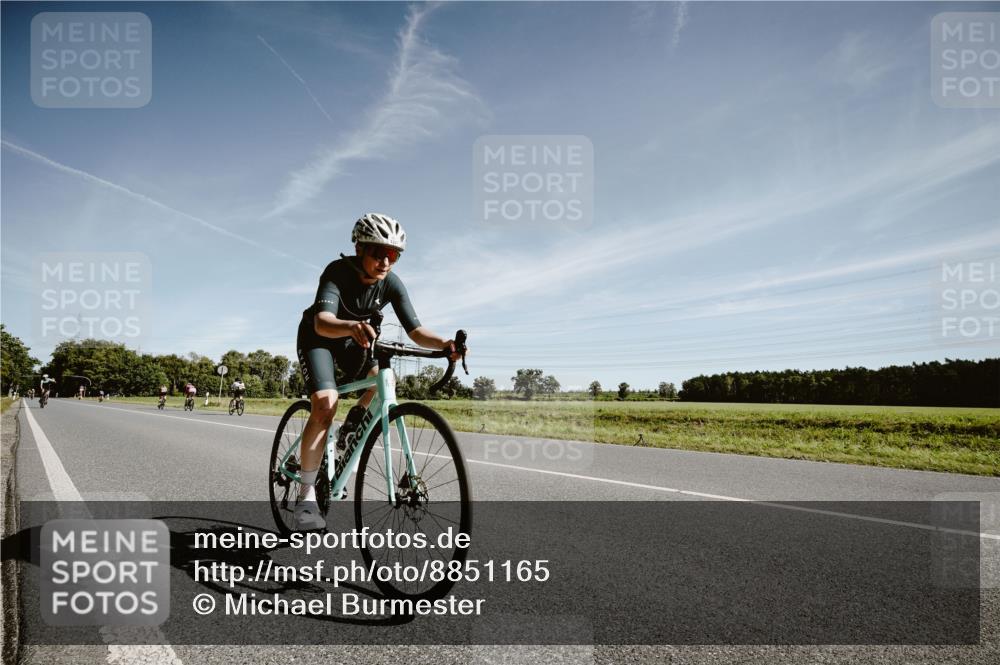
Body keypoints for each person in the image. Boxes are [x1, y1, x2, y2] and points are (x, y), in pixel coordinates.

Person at [292, 213, 465, 531]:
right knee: (326, 403)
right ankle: (306, 499)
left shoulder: (391, 284)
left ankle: (351, 428)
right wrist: (351, 325)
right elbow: (322, 321)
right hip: (321, 336)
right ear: (359, 249)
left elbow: (416, 330)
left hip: (355, 341)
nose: (386, 261)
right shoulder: (337, 272)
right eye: (378, 252)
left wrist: (445, 344)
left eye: (393, 255)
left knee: (383, 384)